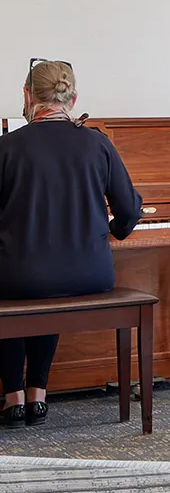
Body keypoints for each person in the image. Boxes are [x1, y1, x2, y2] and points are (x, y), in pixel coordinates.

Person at [0, 61, 143, 426]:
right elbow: (129, 209)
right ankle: (38, 396)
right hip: (89, 275)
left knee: (20, 280)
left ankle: (13, 397)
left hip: (19, 276)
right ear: (73, 98)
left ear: (27, 96)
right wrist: (110, 229)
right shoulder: (97, 143)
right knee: (51, 281)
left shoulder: (7, 147)